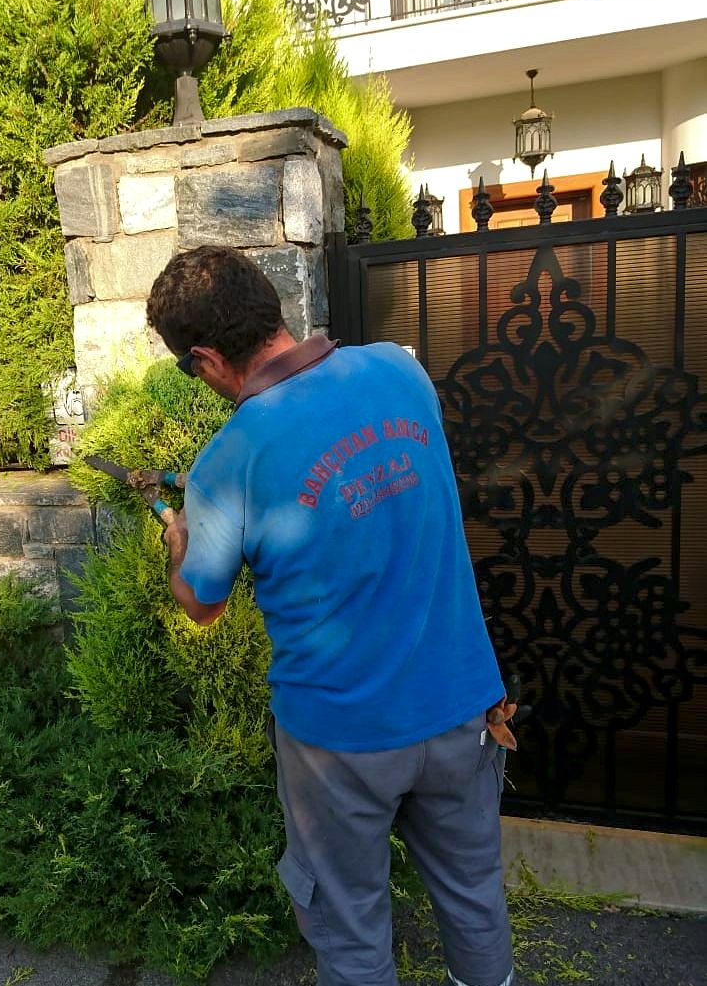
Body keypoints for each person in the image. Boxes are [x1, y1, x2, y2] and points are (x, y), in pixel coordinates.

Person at [146, 245, 515, 986]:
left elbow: (202, 604)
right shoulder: (400, 370)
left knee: (349, 924)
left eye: (191, 368)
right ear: (270, 308)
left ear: (206, 359)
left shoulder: (227, 461)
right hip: (461, 707)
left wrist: (179, 540)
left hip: (339, 742)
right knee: (474, 891)